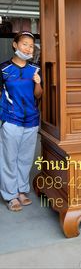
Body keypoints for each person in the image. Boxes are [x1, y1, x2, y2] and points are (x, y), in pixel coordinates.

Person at [0, 31, 43, 211]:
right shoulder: (3, 69)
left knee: (25, 158)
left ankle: (21, 191)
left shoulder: (35, 69)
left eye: (31, 45)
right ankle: (10, 195)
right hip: (11, 119)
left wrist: (38, 82)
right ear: (15, 45)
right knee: (9, 158)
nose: (28, 48)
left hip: (31, 120)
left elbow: (38, 95)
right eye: (24, 44)